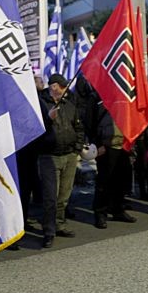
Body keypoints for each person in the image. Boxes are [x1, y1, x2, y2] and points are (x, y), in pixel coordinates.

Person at [37, 74, 84, 248]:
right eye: (62, 87)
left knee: (64, 195)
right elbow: (35, 129)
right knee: (51, 196)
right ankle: (48, 230)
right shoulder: (41, 105)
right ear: (54, 87)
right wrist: (48, 118)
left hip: (69, 155)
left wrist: (77, 149)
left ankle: (59, 224)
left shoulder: (69, 105)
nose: (65, 90)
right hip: (49, 156)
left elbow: (79, 127)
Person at [87, 97, 137, 229]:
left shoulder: (124, 96)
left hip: (124, 146)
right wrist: (97, 144)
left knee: (121, 181)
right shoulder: (96, 99)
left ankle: (118, 210)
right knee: (104, 182)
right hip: (106, 147)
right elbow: (89, 124)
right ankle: (100, 213)